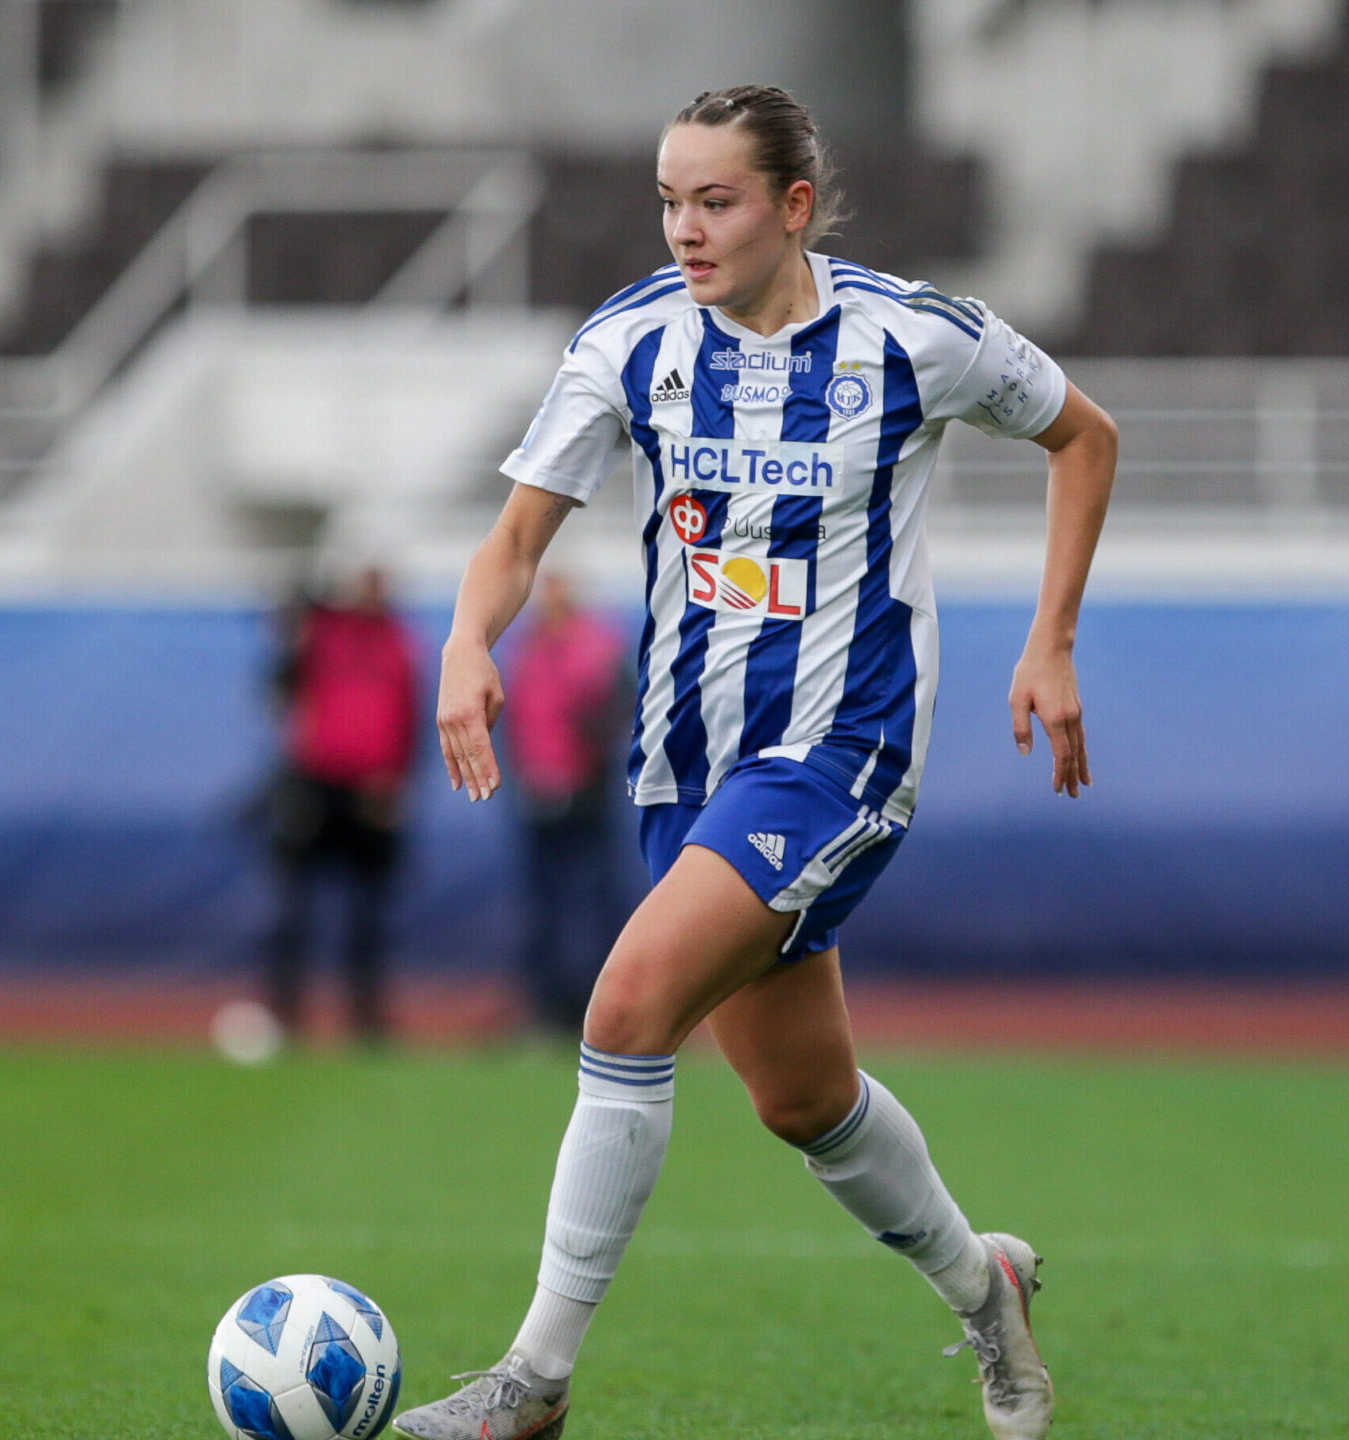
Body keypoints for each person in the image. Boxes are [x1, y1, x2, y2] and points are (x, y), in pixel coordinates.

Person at [395, 86, 1116, 1440]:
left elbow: (1087, 435)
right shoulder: (631, 343)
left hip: (842, 754)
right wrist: (464, 646)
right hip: (686, 768)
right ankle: (987, 1288)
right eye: (669, 200)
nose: (685, 229)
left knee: (622, 1011)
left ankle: (532, 1382)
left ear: (793, 205)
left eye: (714, 200)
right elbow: (512, 544)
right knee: (802, 1100)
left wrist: (1052, 641)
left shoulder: (912, 337)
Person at [262, 564, 418, 1043]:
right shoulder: (323, 634)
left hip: (372, 793)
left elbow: (410, 717)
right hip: (317, 785)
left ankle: (364, 1017)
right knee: (294, 907)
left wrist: (398, 782)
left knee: (366, 914)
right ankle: (285, 1015)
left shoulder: (398, 643)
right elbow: (280, 685)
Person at [501, 572, 631, 1036]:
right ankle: (546, 1008)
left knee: (598, 904)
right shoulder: (526, 648)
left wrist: (591, 743)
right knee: (542, 908)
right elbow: (515, 719)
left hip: (585, 792)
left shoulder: (597, 644)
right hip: (536, 791)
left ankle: (607, 1011)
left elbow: (619, 706)